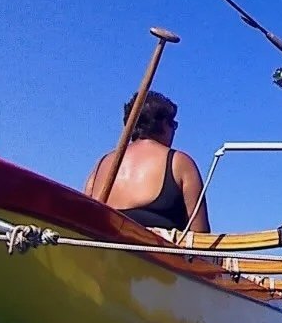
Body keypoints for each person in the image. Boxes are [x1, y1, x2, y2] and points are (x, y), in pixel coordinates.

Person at [83, 91, 211, 234]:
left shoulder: (102, 163)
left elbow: (83, 220)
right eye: (173, 124)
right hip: (155, 255)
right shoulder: (180, 164)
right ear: (163, 123)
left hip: (99, 252)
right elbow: (200, 238)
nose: (174, 131)